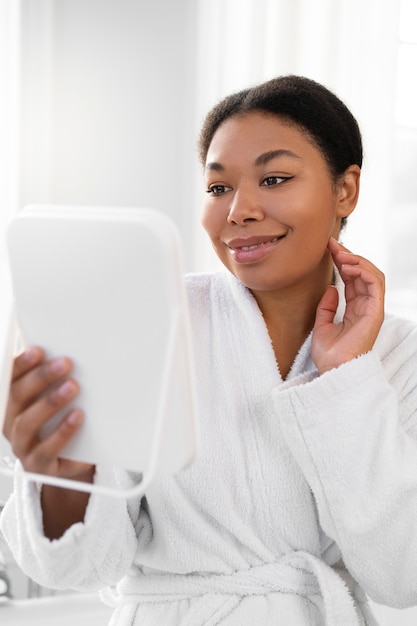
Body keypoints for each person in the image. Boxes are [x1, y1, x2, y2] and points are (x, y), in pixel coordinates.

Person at [1, 74, 417, 626]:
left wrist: (346, 382)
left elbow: (402, 575)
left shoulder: (397, 353)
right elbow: (82, 566)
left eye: (274, 178)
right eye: (218, 188)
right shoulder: (149, 318)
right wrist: (62, 474)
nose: (238, 211)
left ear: (346, 190)